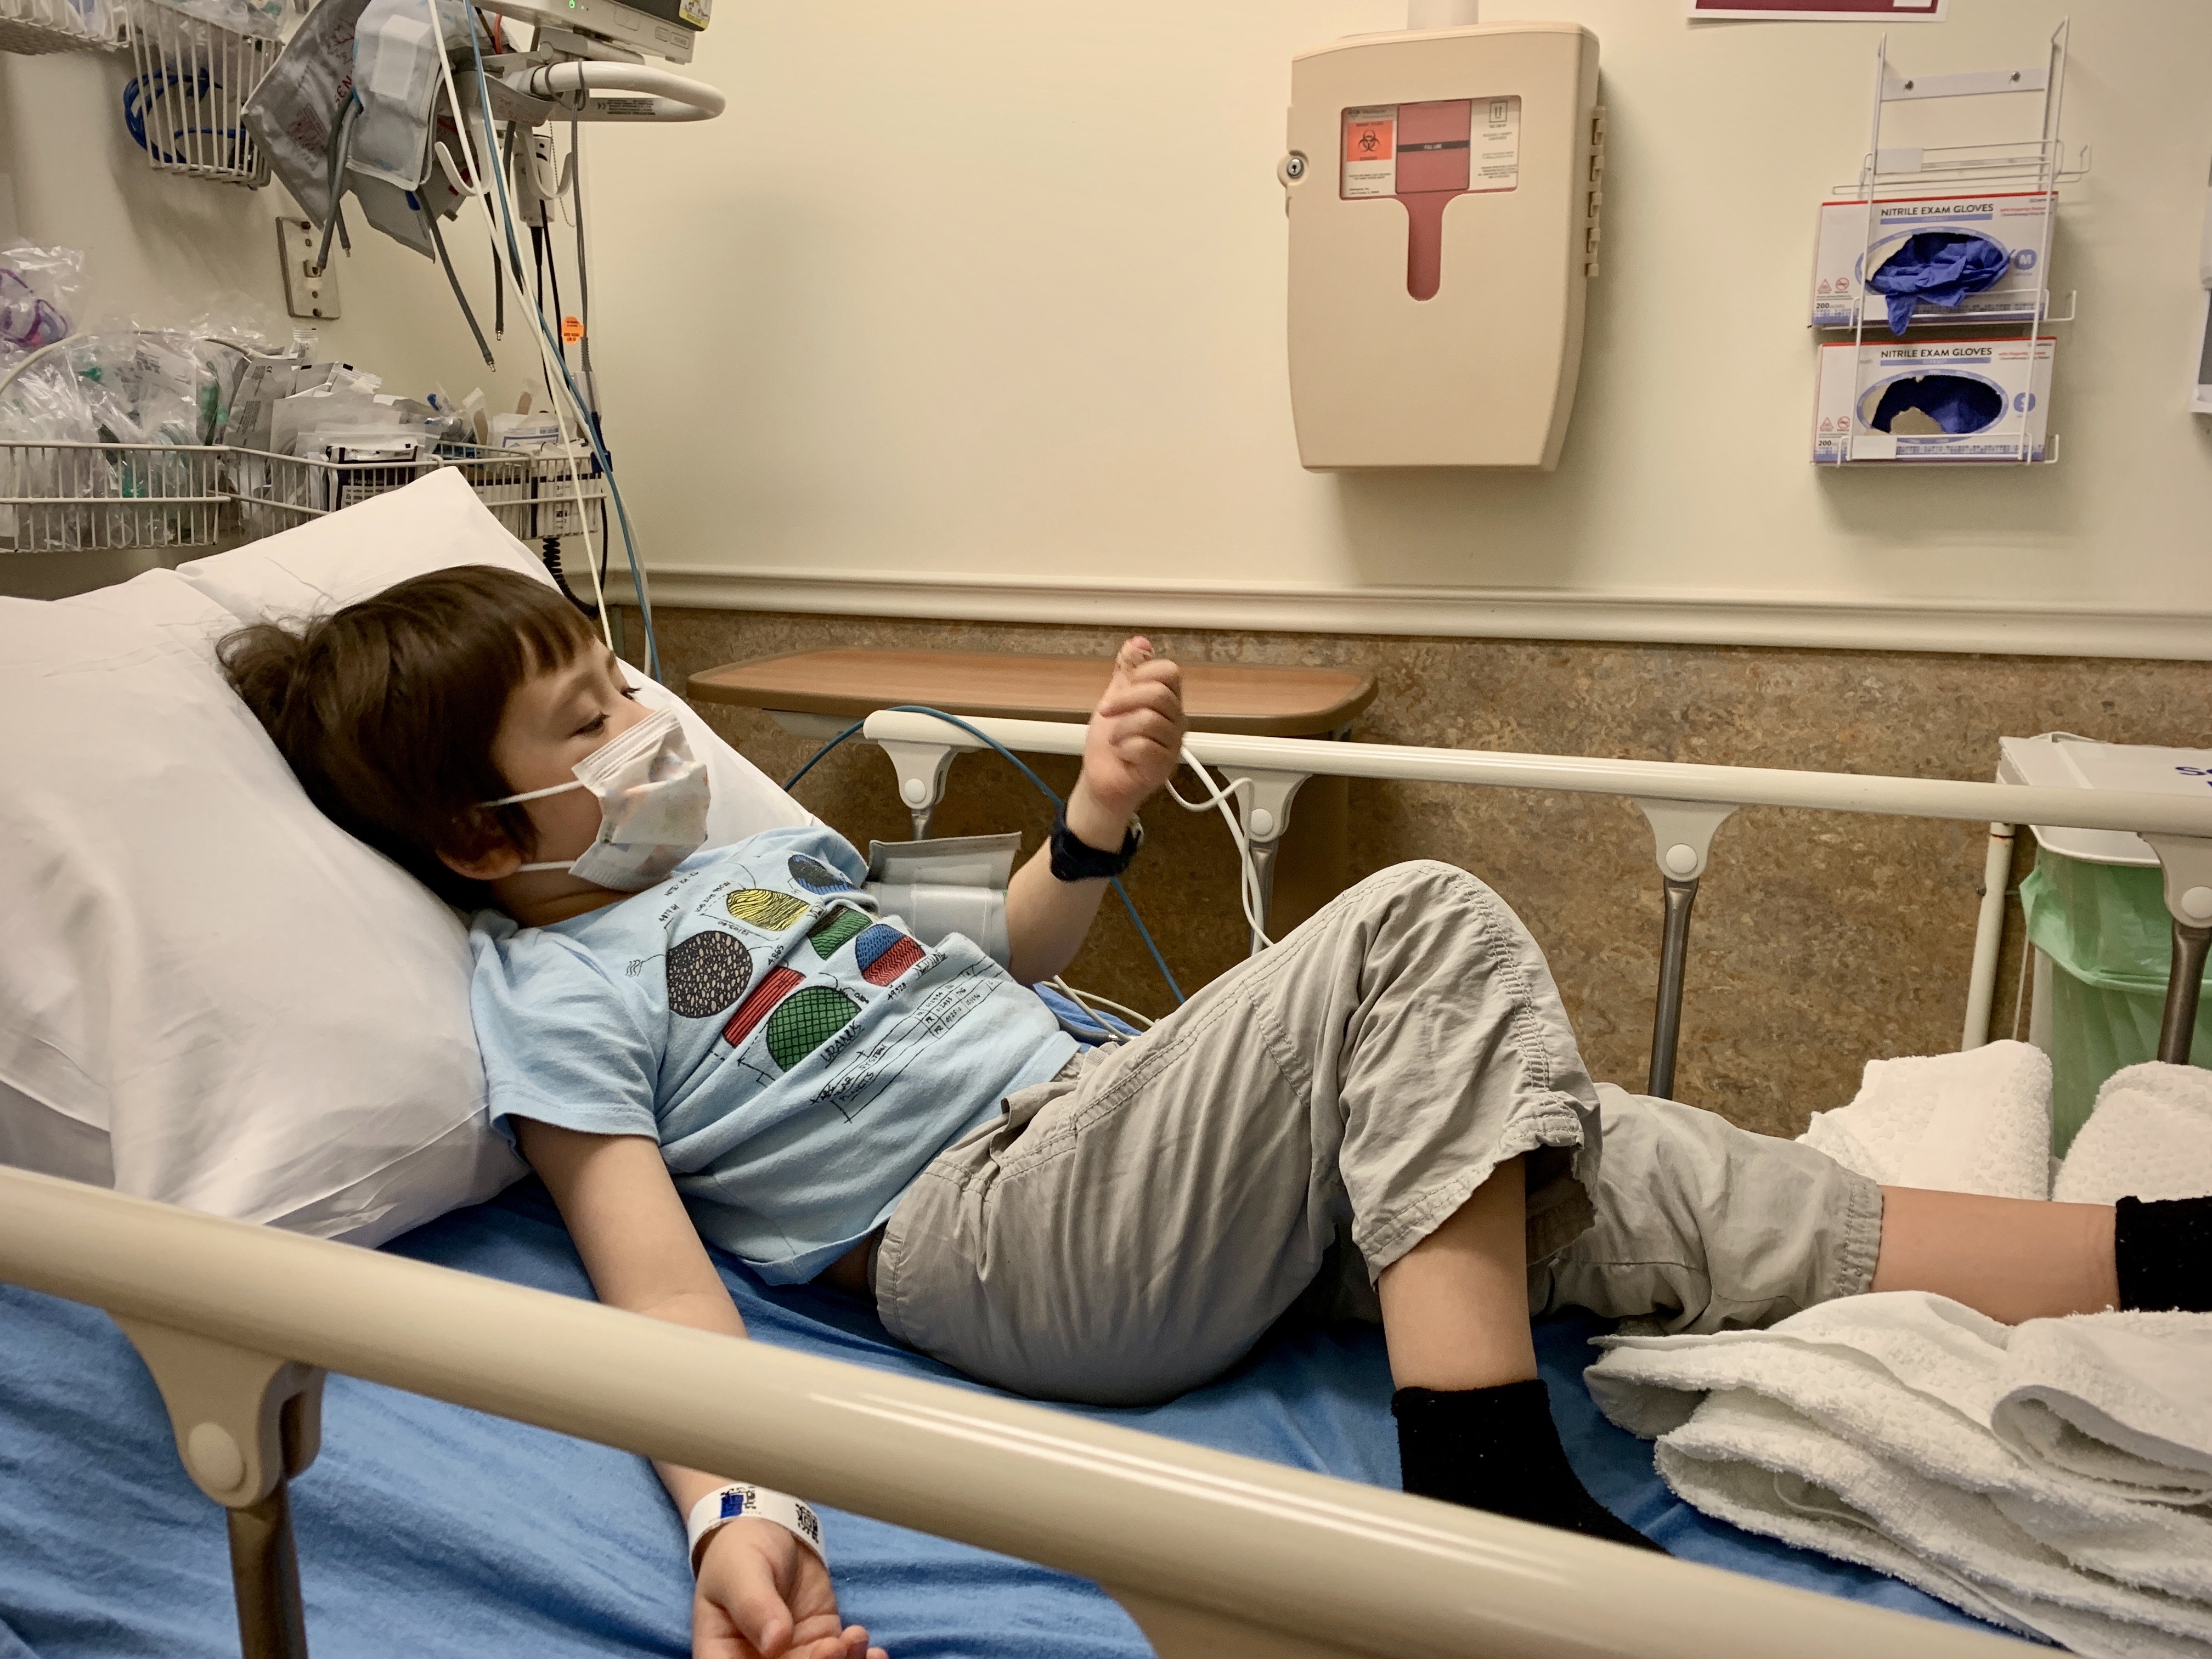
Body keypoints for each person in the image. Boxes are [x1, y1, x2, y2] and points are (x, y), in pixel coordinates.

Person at [221, 564, 2208, 1659]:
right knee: (1418, 930)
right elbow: (656, 1291)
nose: (651, 727)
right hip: (1000, 1239)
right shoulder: (556, 994)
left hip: (1108, 1121)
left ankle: (2143, 1255)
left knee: (1584, 1151)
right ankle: (1487, 1501)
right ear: (483, 836)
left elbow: (1003, 952)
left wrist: (1094, 813)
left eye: (625, 683)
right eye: (588, 722)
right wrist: (740, 1515)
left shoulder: (766, 864)